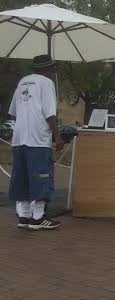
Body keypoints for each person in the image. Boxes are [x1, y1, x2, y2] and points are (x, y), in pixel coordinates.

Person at [9, 54, 63, 230]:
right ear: (47, 68)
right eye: (53, 68)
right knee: (42, 176)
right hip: (38, 139)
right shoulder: (47, 83)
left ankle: (24, 216)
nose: (54, 71)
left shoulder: (23, 81)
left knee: (22, 176)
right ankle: (38, 218)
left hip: (19, 138)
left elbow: (13, 112)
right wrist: (57, 136)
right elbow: (50, 113)